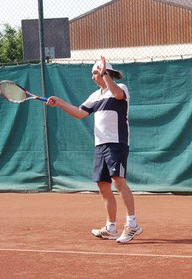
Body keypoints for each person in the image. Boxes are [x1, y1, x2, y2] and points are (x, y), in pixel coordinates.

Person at [46, 56, 142, 244]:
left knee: (118, 181)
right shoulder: (95, 96)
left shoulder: (120, 89)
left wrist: (105, 73)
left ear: (106, 73)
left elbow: (117, 95)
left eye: (95, 72)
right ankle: (111, 227)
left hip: (117, 143)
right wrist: (60, 102)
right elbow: (80, 113)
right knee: (103, 185)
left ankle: (132, 225)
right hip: (100, 145)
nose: (92, 77)